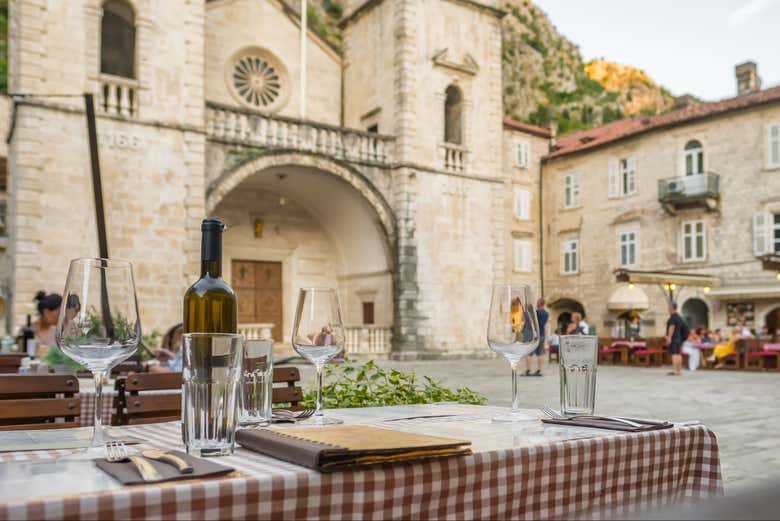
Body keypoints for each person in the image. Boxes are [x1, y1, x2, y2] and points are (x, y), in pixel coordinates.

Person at [24, 291, 62, 359]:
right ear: (46, 312)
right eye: (59, 313)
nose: (60, 317)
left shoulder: (58, 332)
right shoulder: (28, 332)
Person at [524, 298, 548, 377]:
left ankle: (528, 370)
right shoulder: (546, 313)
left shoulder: (536, 312)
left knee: (529, 353)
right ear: (544, 304)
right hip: (542, 334)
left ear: (538, 304)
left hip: (534, 335)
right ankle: (539, 370)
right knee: (540, 353)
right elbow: (544, 325)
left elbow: (531, 322)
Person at [664, 302, 688, 376]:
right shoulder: (678, 317)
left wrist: (669, 338)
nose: (668, 309)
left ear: (671, 308)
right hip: (679, 338)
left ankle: (675, 371)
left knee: (674, 354)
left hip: (674, 338)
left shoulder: (673, 317)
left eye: (668, 307)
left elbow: (672, 327)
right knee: (678, 354)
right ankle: (678, 370)